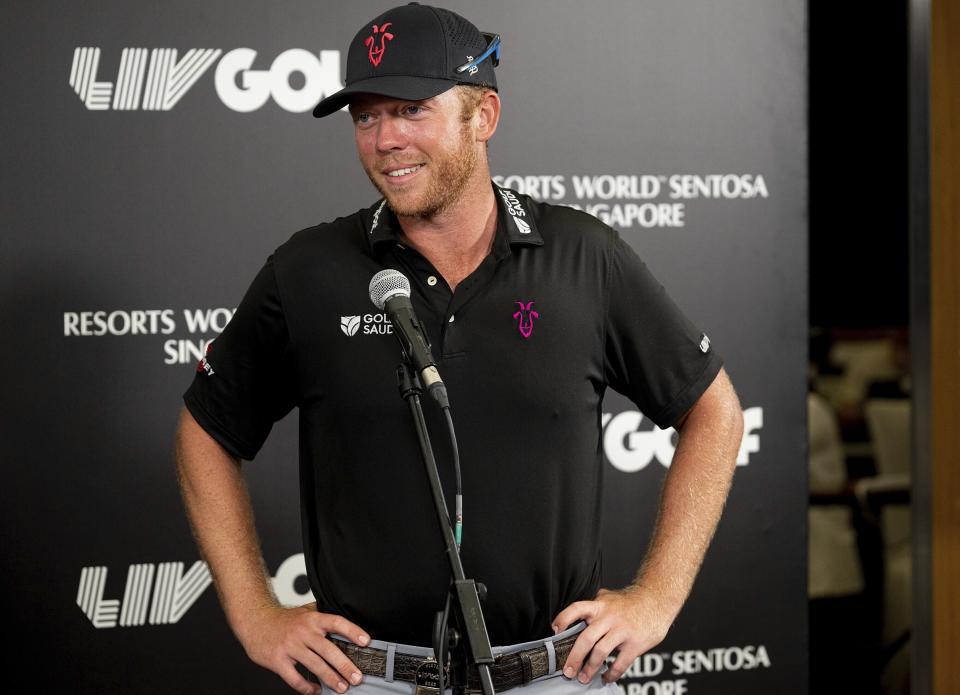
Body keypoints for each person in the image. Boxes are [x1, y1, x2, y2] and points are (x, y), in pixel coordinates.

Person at [175, 4, 745, 695]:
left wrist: (657, 596)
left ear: (484, 118)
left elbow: (714, 411)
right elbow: (207, 426)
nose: (385, 139)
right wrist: (253, 612)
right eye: (365, 116)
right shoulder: (309, 269)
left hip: (554, 674)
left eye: (410, 110)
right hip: (370, 677)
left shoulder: (583, 257)